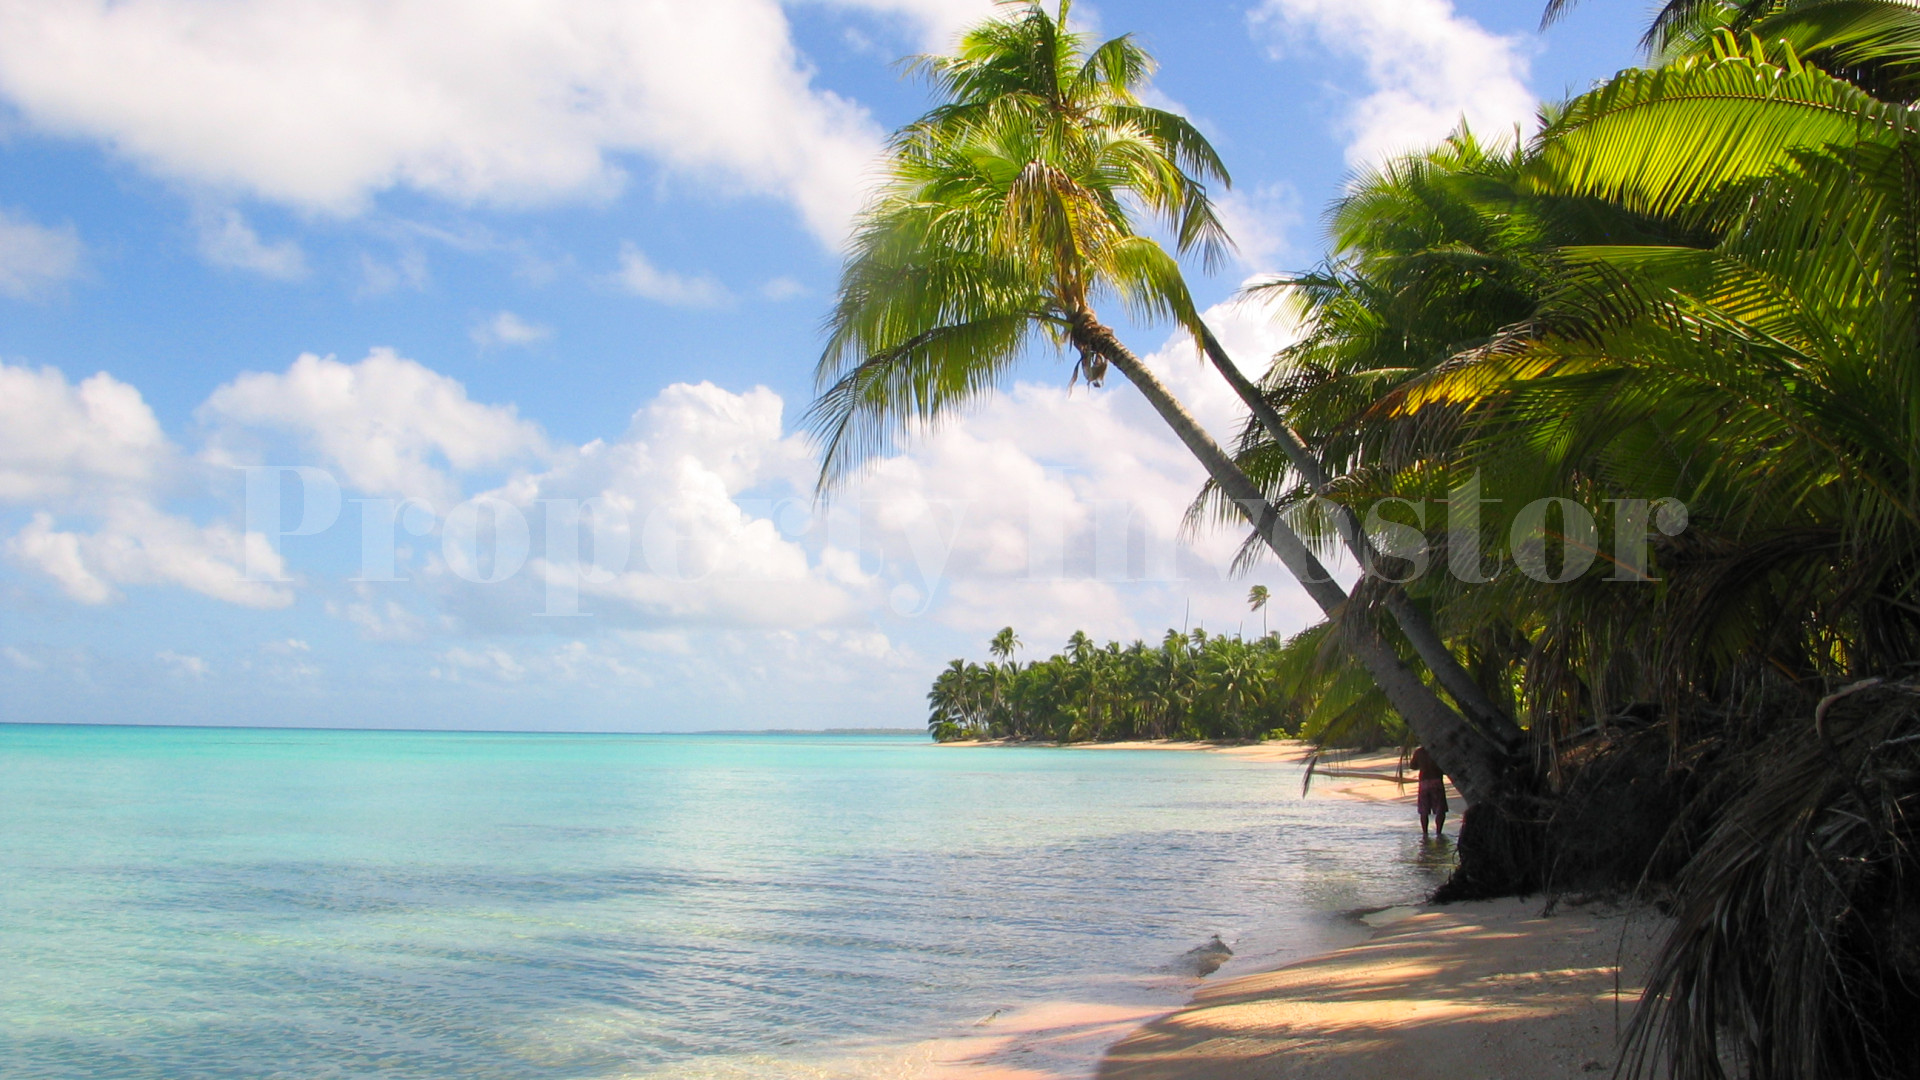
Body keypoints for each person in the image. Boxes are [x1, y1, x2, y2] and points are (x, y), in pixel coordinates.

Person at [1408, 745, 1448, 841]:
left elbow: (1412, 766)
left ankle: (1425, 834)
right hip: (1436, 781)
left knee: (1424, 810)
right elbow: (1445, 767)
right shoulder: (1438, 750)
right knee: (1440, 809)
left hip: (1424, 782)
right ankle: (1439, 833)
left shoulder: (1419, 751)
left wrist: (1422, 764)